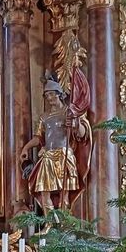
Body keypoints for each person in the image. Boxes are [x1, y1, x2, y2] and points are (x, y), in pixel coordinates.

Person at [20, 73, 92, 212]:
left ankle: (64, 223)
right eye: (46, 95)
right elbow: (38, 137)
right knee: (43, 190)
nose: (49, 98)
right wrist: (25, 148)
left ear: (59, 94)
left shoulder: (69, 112)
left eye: (52, 94)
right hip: (48, 156)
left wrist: (76, 123)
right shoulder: (44, 116)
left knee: (64, 192)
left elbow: (82, 134)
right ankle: (50, 223)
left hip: (64, 155)